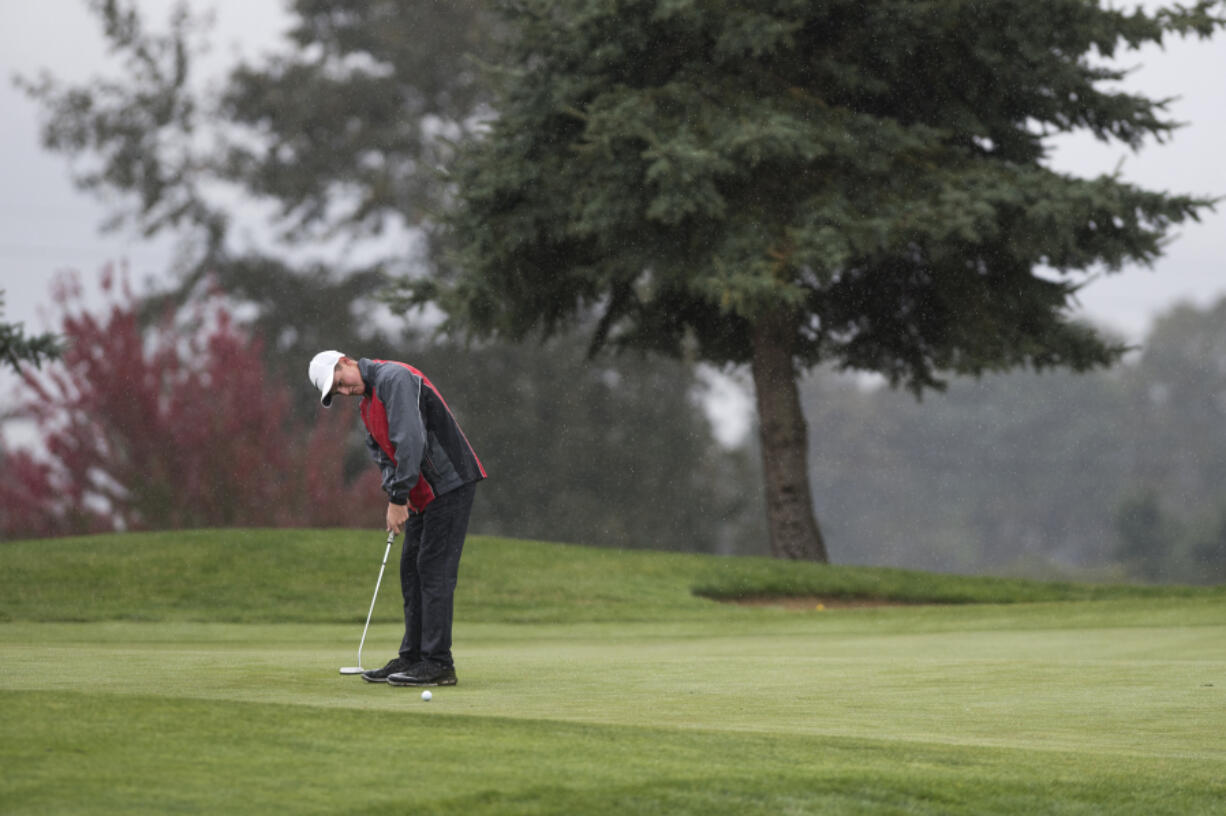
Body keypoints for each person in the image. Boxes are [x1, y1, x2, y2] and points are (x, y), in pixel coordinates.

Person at [308, 350, 486, 687]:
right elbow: (384, 454)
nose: (345, 392)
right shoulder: (368, 404)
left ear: (345, 362)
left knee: (434, 570)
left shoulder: (395, 379)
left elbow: (411, 440)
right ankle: (413, 657)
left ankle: (438, 663)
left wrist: (398, 497)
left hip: (448, 483)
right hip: (421, 492)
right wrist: (397, 494)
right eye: (337, 393)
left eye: (340, 384)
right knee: (411, 570)